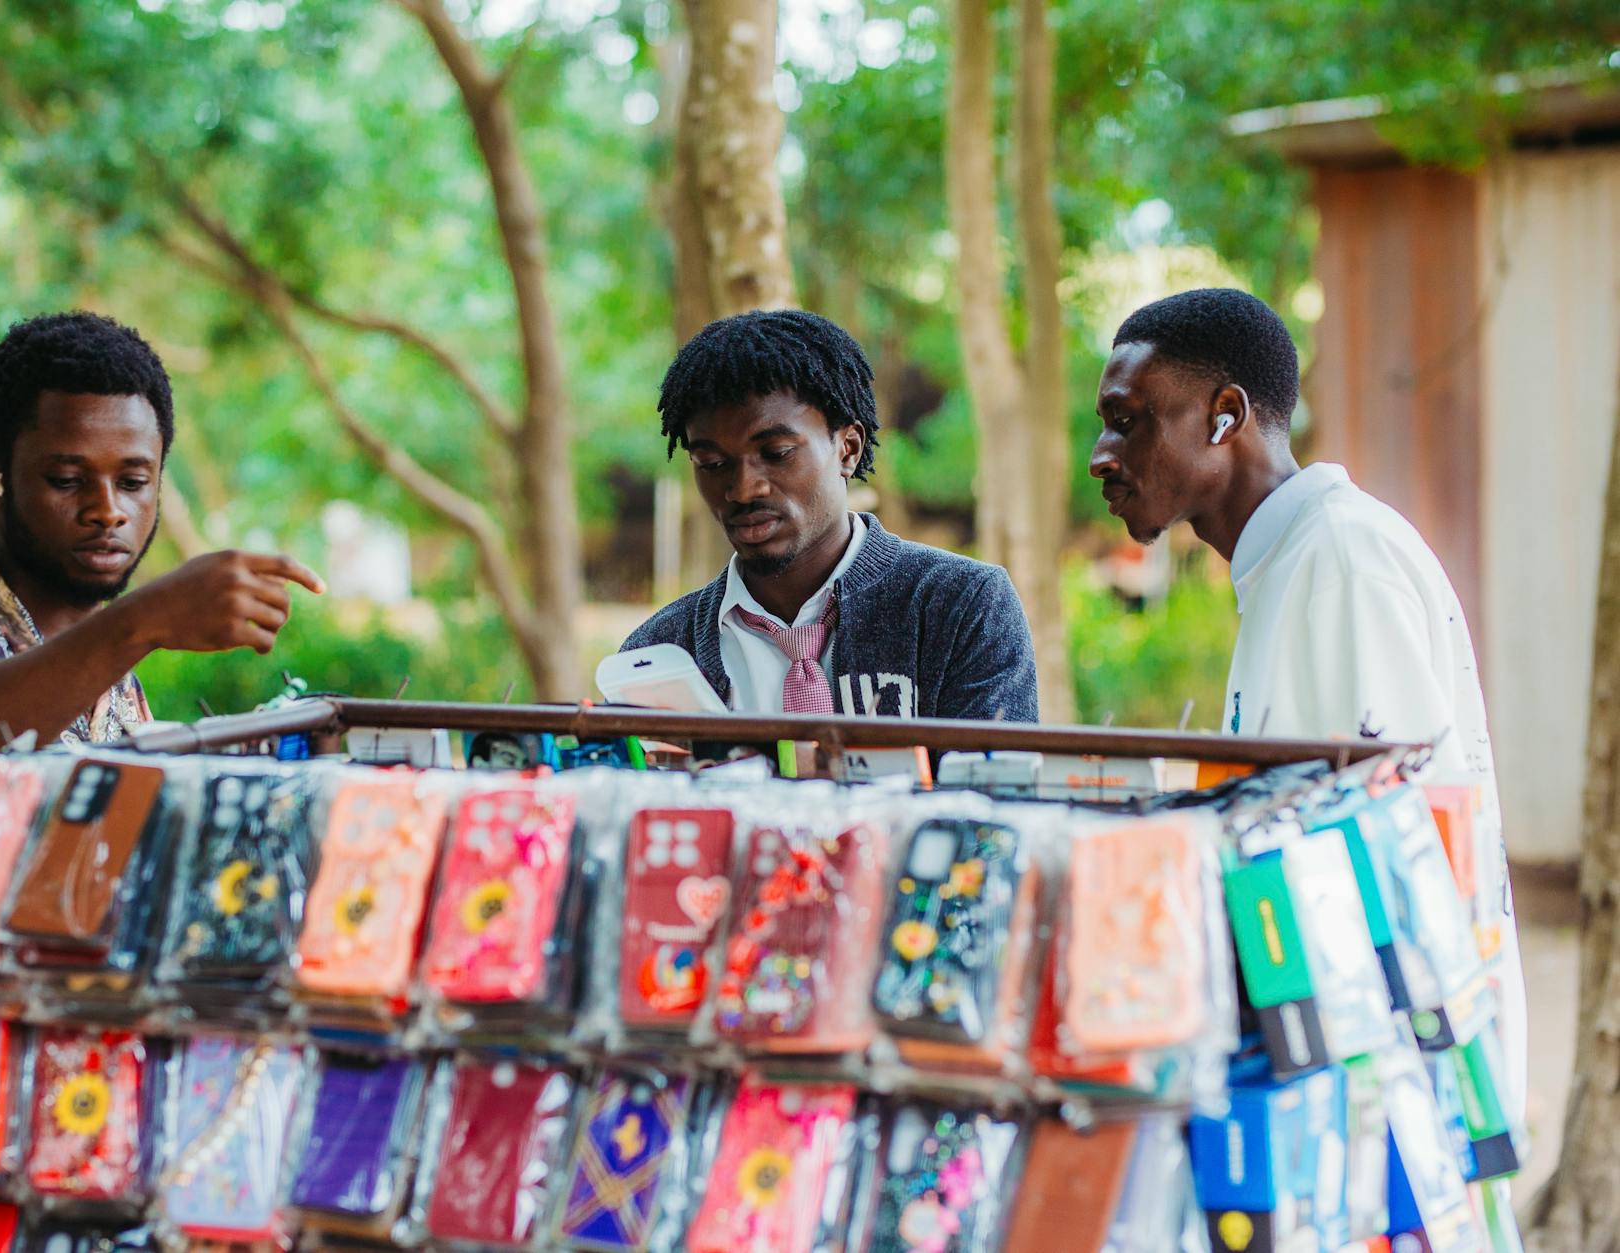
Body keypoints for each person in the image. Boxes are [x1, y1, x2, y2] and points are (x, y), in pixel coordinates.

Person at [0, 311, 325, 1154]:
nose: (106, 510)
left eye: (134, 480)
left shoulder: (101, 662)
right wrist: (142, 621)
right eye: (68, 479)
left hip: (96, 1116)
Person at [1087, 285, 1527, 1104]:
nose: (1101, 456)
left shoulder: (1342, 559)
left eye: (1128, 420)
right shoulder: (1290, 562)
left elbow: (1401, 860)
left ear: (1224, 415)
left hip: (1393, 1090)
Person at [621, 309, 1037, 721]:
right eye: (712, 464)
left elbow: (994, 765)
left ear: (848, 449)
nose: (744, 489)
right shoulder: (657, 653)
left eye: (777, 453)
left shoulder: (962, 606)